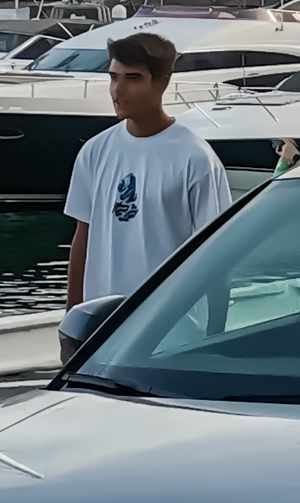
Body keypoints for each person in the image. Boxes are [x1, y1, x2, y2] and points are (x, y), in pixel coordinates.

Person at [65, 32, 231, 307]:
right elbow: (82, 238)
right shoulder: (94, 151)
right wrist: (71, 321)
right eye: (113, 77)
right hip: (101, 325)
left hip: (166, 327)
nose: (117, 90)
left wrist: (214, 334)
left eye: (132, 78)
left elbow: (216, 254)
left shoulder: (196, 159)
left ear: (162, 83)